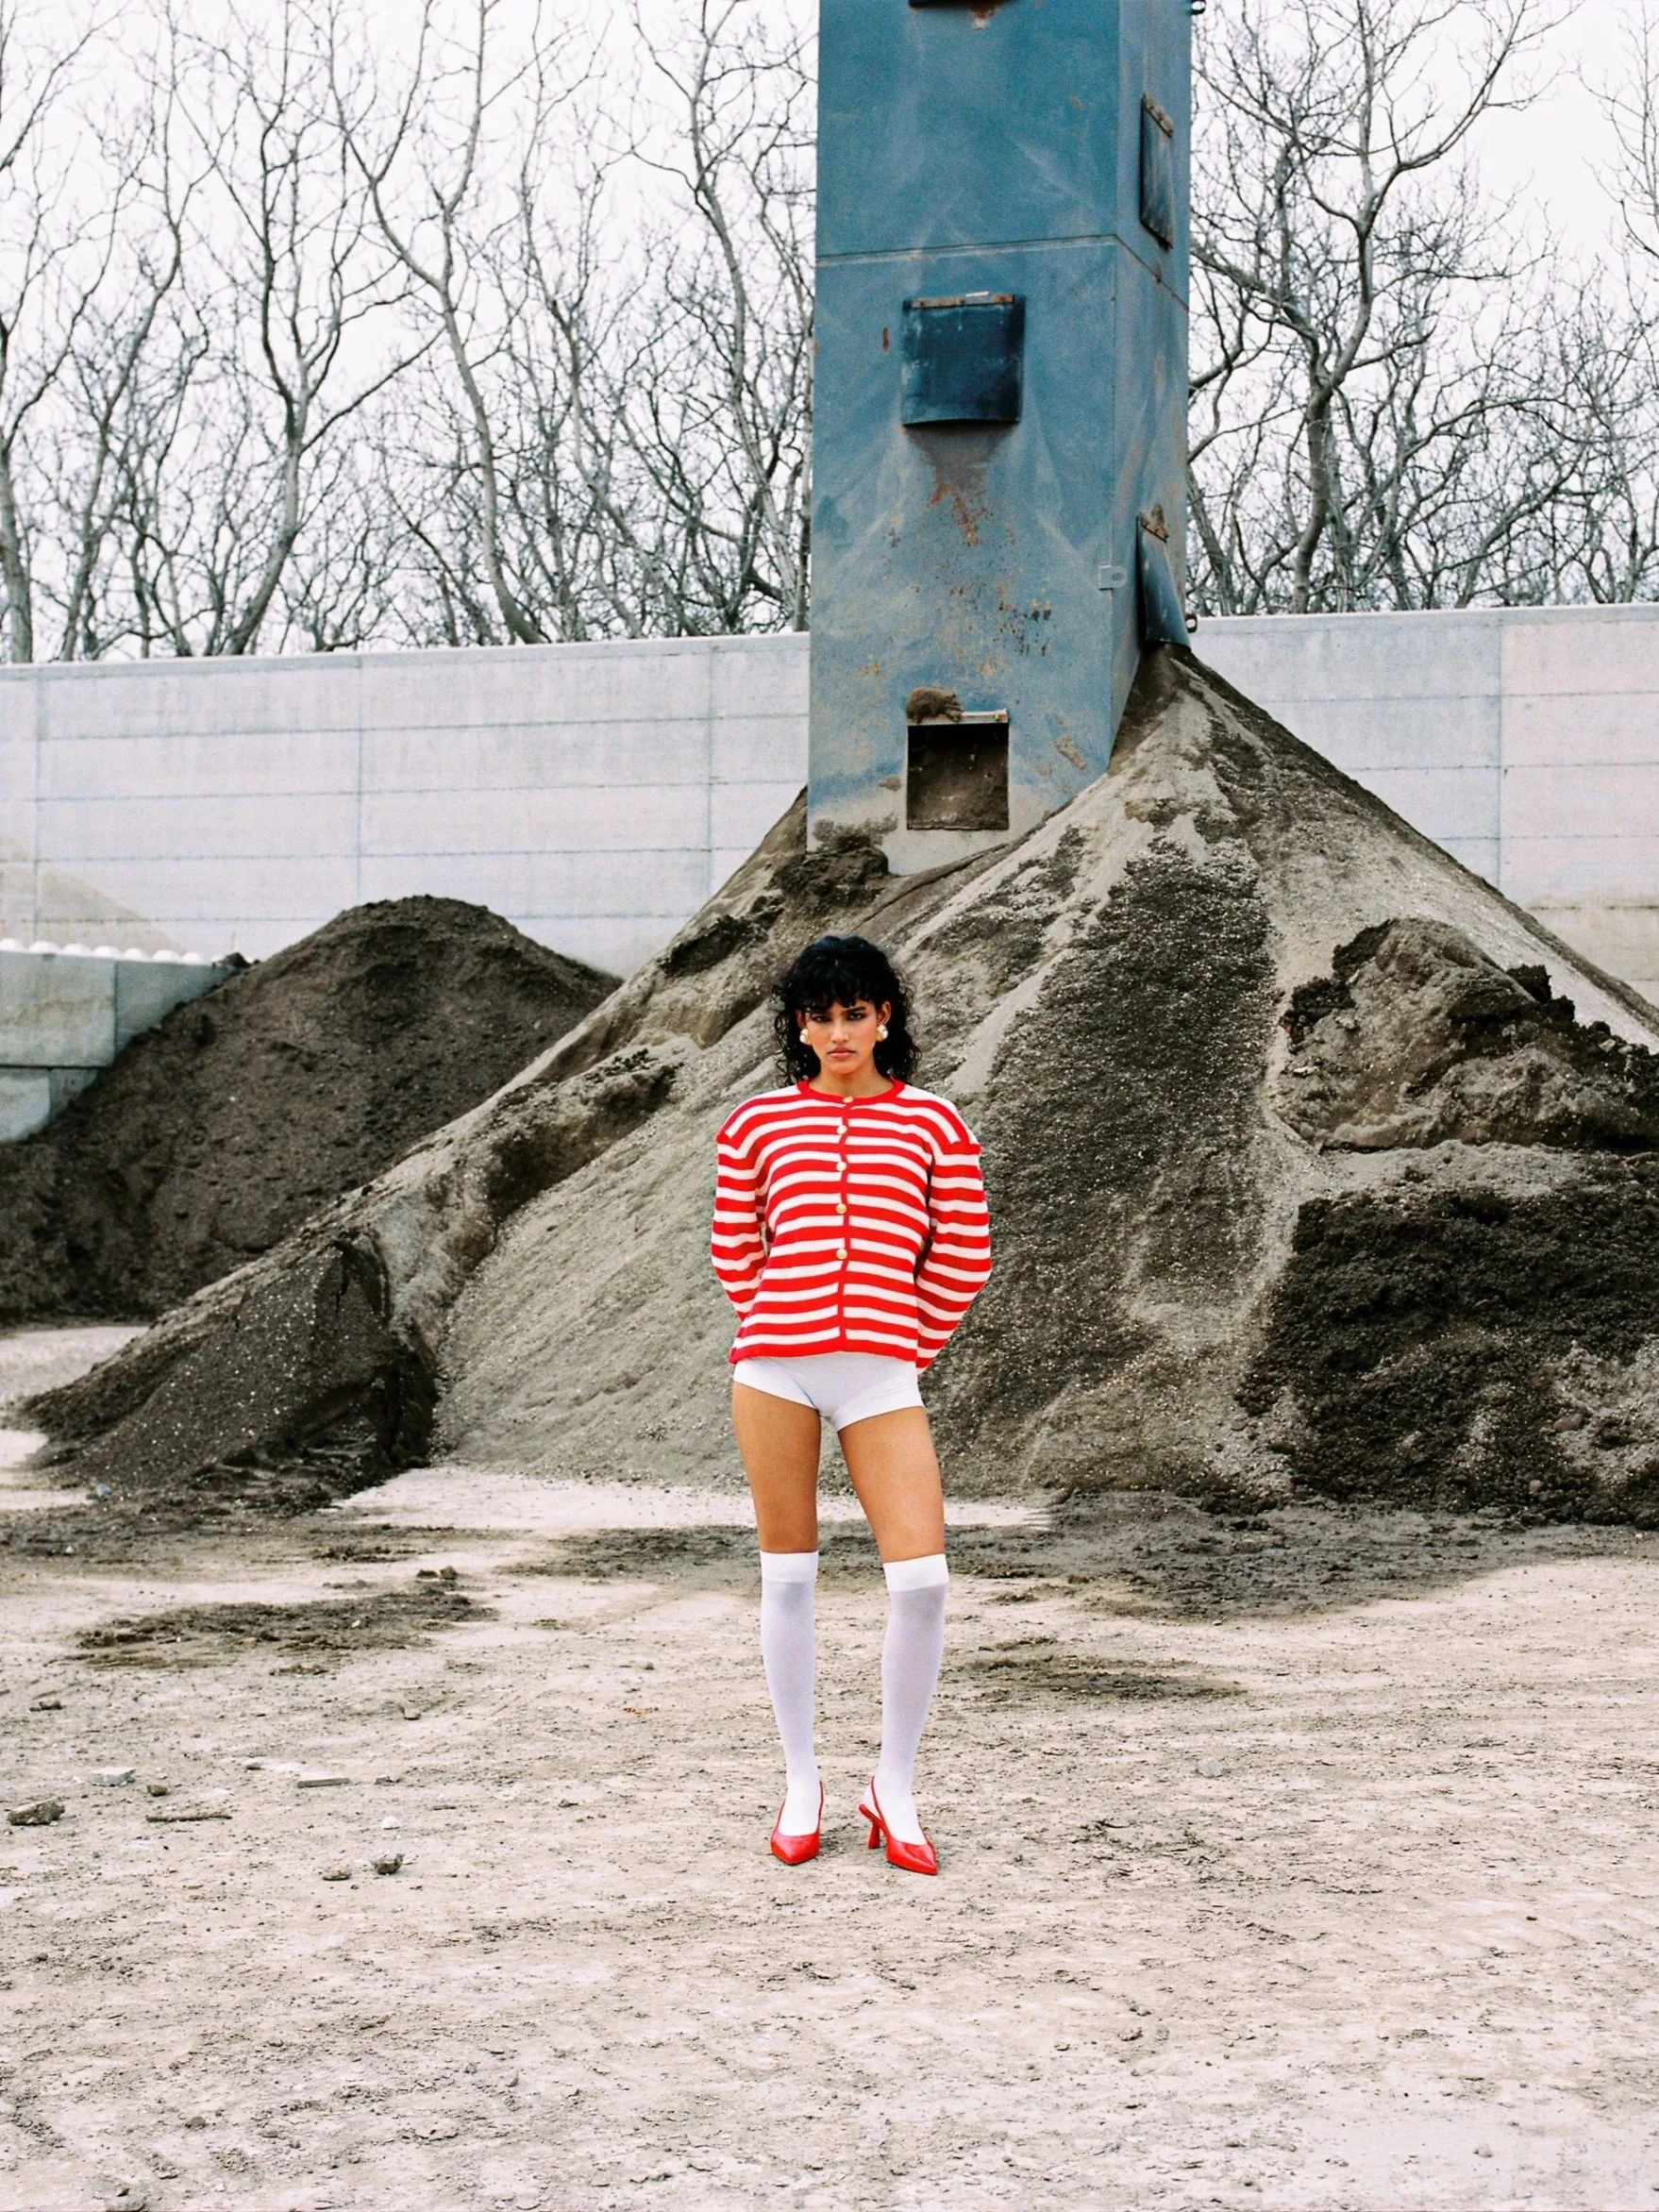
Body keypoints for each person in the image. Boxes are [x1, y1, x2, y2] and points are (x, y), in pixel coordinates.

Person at [711, 933, 993, 1875]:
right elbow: (733, 1252)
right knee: (787, 1574)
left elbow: (964, 1255)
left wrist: (903, 1344)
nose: (840, 1031)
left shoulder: (935, 1125)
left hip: (881, 1374)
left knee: (923, 1580)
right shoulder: (753, 1126)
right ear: (800, 1024)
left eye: (856, 1012)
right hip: (775, 1372)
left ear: (886, 1017)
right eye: (821, 1015)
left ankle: (894, 1787)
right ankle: (801, 1783)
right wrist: (779, 1322)